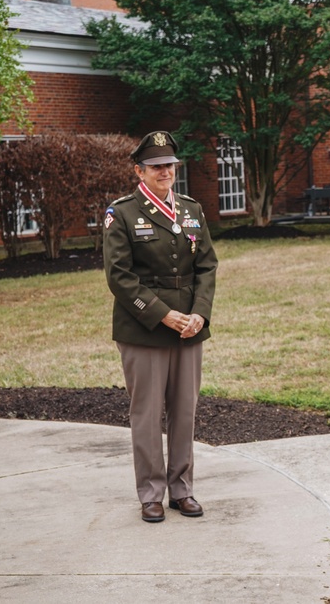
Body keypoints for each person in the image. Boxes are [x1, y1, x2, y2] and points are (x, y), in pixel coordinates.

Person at [103, 131, 218, 523]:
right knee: (148, 414)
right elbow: (119, 277)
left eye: (169, 165)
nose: (164, 171)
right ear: (140, 170)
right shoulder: (121, 213)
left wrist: (199, 313)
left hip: (189, 328)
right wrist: (163, 315)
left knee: (185, 413)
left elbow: (206, 265)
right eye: (155, 167)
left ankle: (182, 489)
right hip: (144, 329)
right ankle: (151, 493)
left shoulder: (191, 209)